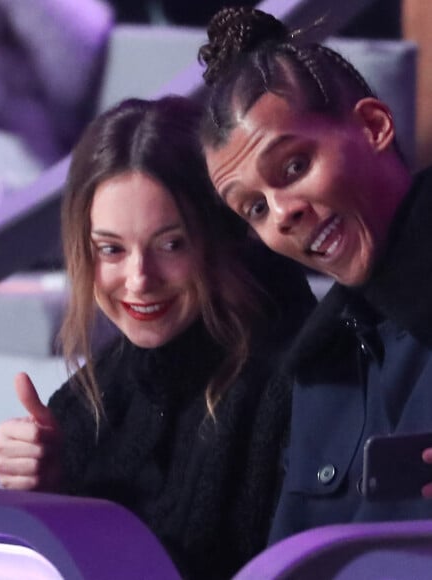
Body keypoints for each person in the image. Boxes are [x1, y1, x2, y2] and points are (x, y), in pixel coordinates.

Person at [0, 95, 316, 578]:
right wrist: (44, 493)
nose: (139, 279)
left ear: (222, 233)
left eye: (170, 244)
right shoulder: (93, 396)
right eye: (111, 249)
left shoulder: (297, 377)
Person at [198, 5, 432, 544]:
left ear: (373, 126)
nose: (283, 214)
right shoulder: (317, 369)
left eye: (295, 167)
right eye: (254, 208)